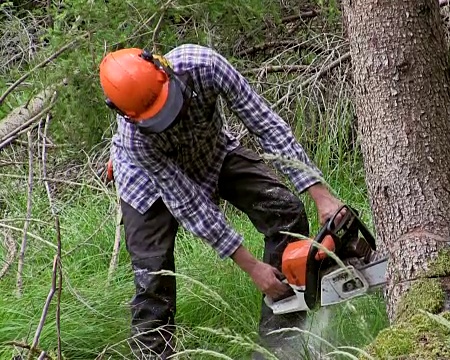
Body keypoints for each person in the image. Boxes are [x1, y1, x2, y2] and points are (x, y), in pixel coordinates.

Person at [98, 44, 345, 359]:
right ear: (125, 114)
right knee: (153, 279)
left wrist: (320, 193)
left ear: (162, 68)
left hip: (211, 150)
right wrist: (253, 267)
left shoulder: (204, 65)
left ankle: (280, 347)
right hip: (147, 184)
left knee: (285, 211)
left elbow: (265, 124)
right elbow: (189, 203)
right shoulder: (135, 139)